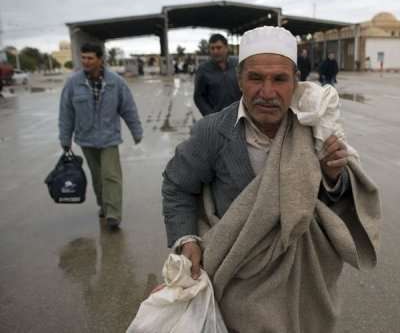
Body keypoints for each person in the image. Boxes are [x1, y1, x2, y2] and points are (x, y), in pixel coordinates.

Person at [161, 26, 380, 332]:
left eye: (279, 79)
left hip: (303, 279)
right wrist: (186, 240)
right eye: (255, 79)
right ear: (240, 80)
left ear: (295, 81)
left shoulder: (313, 129)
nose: (267, 92)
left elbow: (331, 202)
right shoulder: (213, 132)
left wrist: (333, 176)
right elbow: (177, 186)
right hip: (238, 277)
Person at [59, 43, 143, 229]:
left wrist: (136, 131)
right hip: (86, 139)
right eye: (83, 58)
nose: (86, 62)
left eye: (90, 58)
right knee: (97, 177)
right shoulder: (73, 84)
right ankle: (104, 205)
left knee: (111, 175)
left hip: (109, 138)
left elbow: (128, 108)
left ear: (100, 59)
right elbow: (66, 113)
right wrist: (65, 139)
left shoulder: (115, 82)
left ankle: (113, 214)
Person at [193, 33, 241, 116]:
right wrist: (209, 115)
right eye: (212, 48)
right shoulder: (203, 69)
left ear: (226, 48)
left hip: (239, 115)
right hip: (217, 118)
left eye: (219, 48)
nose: (215, 51)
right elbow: (198, 96)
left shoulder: (237, 64)